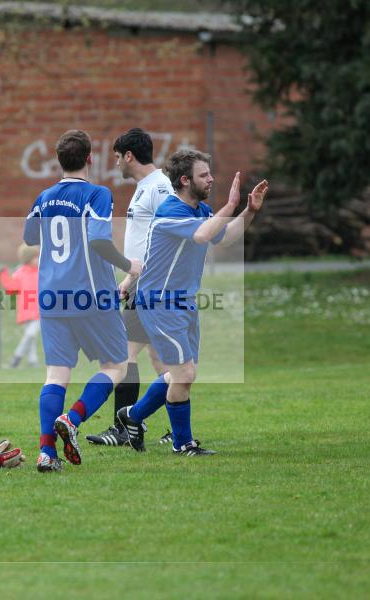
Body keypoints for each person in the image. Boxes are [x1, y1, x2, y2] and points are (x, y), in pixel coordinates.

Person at [118, 150, 268, 456]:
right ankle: (182, 444)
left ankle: (132, 416)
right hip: (159, 303)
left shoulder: (199, 211)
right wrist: (229, 206)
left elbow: (222, 238)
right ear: (185, 180)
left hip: (183, 302)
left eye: (210, 174)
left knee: (179, 373)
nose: (211, 179)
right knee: (185, 375)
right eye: (204, 175)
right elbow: (201, 236)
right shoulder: (171, 211)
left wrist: (249, 211)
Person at [23, 129, 142, 472]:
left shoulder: (43, 197)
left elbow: (30, 237)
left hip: (50, 294)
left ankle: (47, 452)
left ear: (59, 161)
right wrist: (129, 266)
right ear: (90, 159)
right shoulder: (98, 194)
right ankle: (73, 420)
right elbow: (100, 242)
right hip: (90, 294)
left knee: (56, 374)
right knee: (116, 365)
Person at [86, 128, 171, 447]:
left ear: (130, 156)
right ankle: (173, 428)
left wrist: (132, 279)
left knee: (123, 355)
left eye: (118, 157)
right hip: (142, 285)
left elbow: (163, 238)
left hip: (149, 285)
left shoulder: (159, 187)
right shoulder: (144, 187)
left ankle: (123, 427)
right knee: (162, 362)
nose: (117, 163)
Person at [0, 243, 41, 368]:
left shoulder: (42, 272)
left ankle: (16, 357)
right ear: (29, 259)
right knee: (30, 337)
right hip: (26, 310)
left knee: (31, 334)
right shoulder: (20, 273)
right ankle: (33, 361)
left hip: (40, 310)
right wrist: (3, 274)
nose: (38, 259)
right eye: (36, 257)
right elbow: (11, 288)